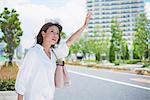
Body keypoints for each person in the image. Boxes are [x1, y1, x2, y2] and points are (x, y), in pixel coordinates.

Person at [15, 12, 92, 100]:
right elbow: (23, 77)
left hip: (49, 97)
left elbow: (69, 42)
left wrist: (85, 25)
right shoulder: (34, 52)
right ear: (43, 34)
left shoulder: (54, 53)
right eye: (52, 31)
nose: (55, 35)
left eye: (57, 33)